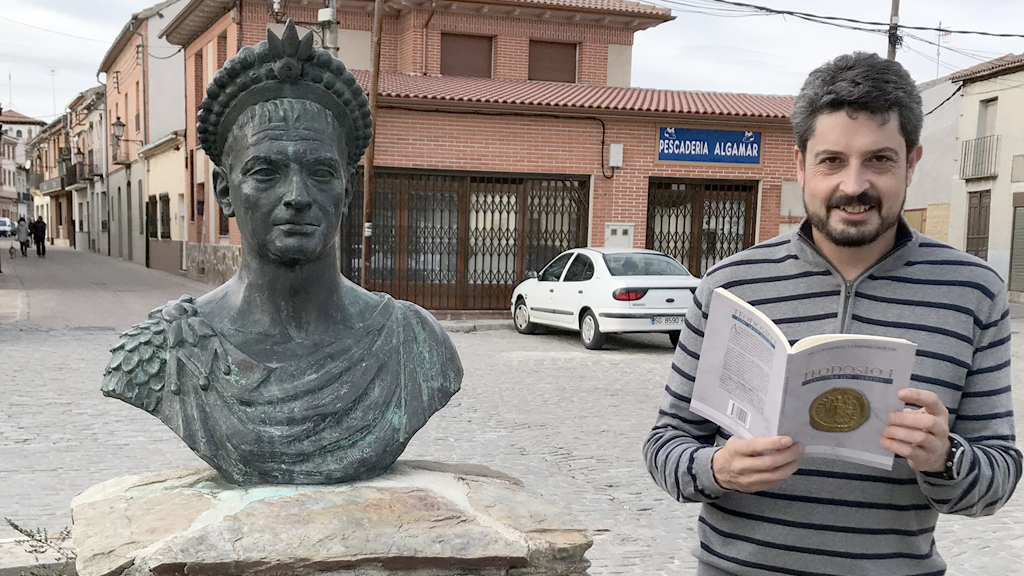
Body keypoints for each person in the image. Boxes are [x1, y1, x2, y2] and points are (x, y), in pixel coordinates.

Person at [644, 52, 1021, 576]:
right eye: (832, 161)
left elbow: (997, 477)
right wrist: (717, 468)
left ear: (911, 162)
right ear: (800, 165)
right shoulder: (730, 285)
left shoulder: (973, 291)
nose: (854, 185)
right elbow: (665, 444)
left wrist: (944, 457)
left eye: (879, 160)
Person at [102, 20, 462, 486]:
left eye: (320, 172)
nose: (297, 195)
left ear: (348, 191)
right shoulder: (163, 347)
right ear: (224, 192)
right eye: (266, 171)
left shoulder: (414, 342)